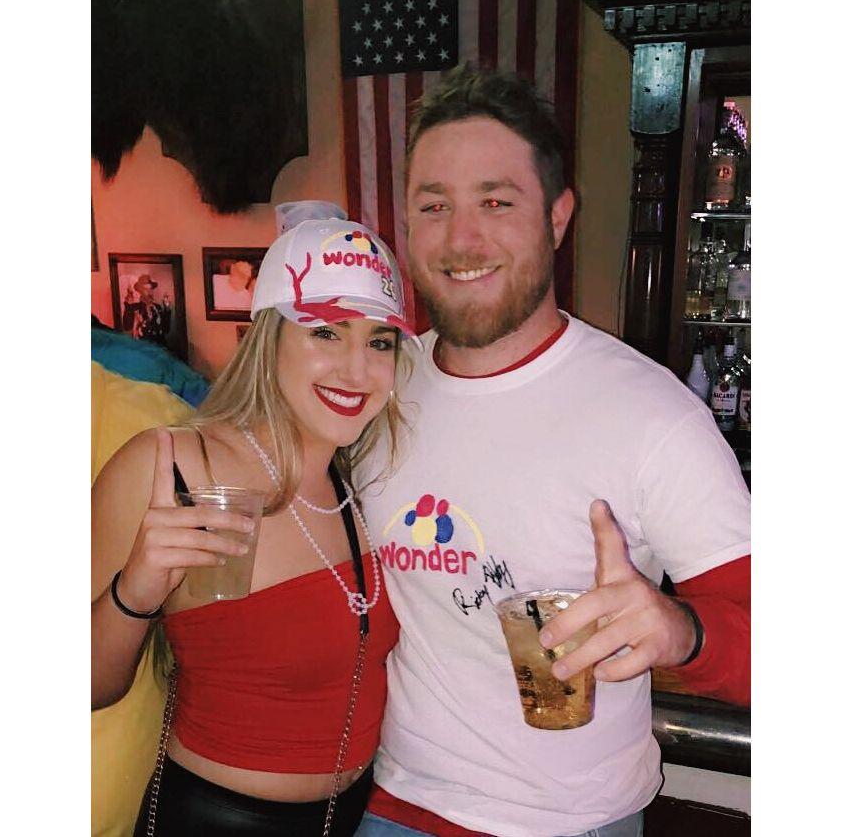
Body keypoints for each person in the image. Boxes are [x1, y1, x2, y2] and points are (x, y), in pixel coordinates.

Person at [354, 65, 751, 837]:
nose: (461, 239)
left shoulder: (650, 414)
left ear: (558, 217)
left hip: (572, 824)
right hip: (395, 806)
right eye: (434, 206)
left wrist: (681, 630)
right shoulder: (376, 388)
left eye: (496, 203)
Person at [91, 202, 422, 836]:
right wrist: (136, 587)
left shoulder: (361, 482)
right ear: (269, 338)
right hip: (217, 822)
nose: (357, 369)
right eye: (326, 332)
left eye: (379, 341)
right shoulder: (171, 467)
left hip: (352, 818)